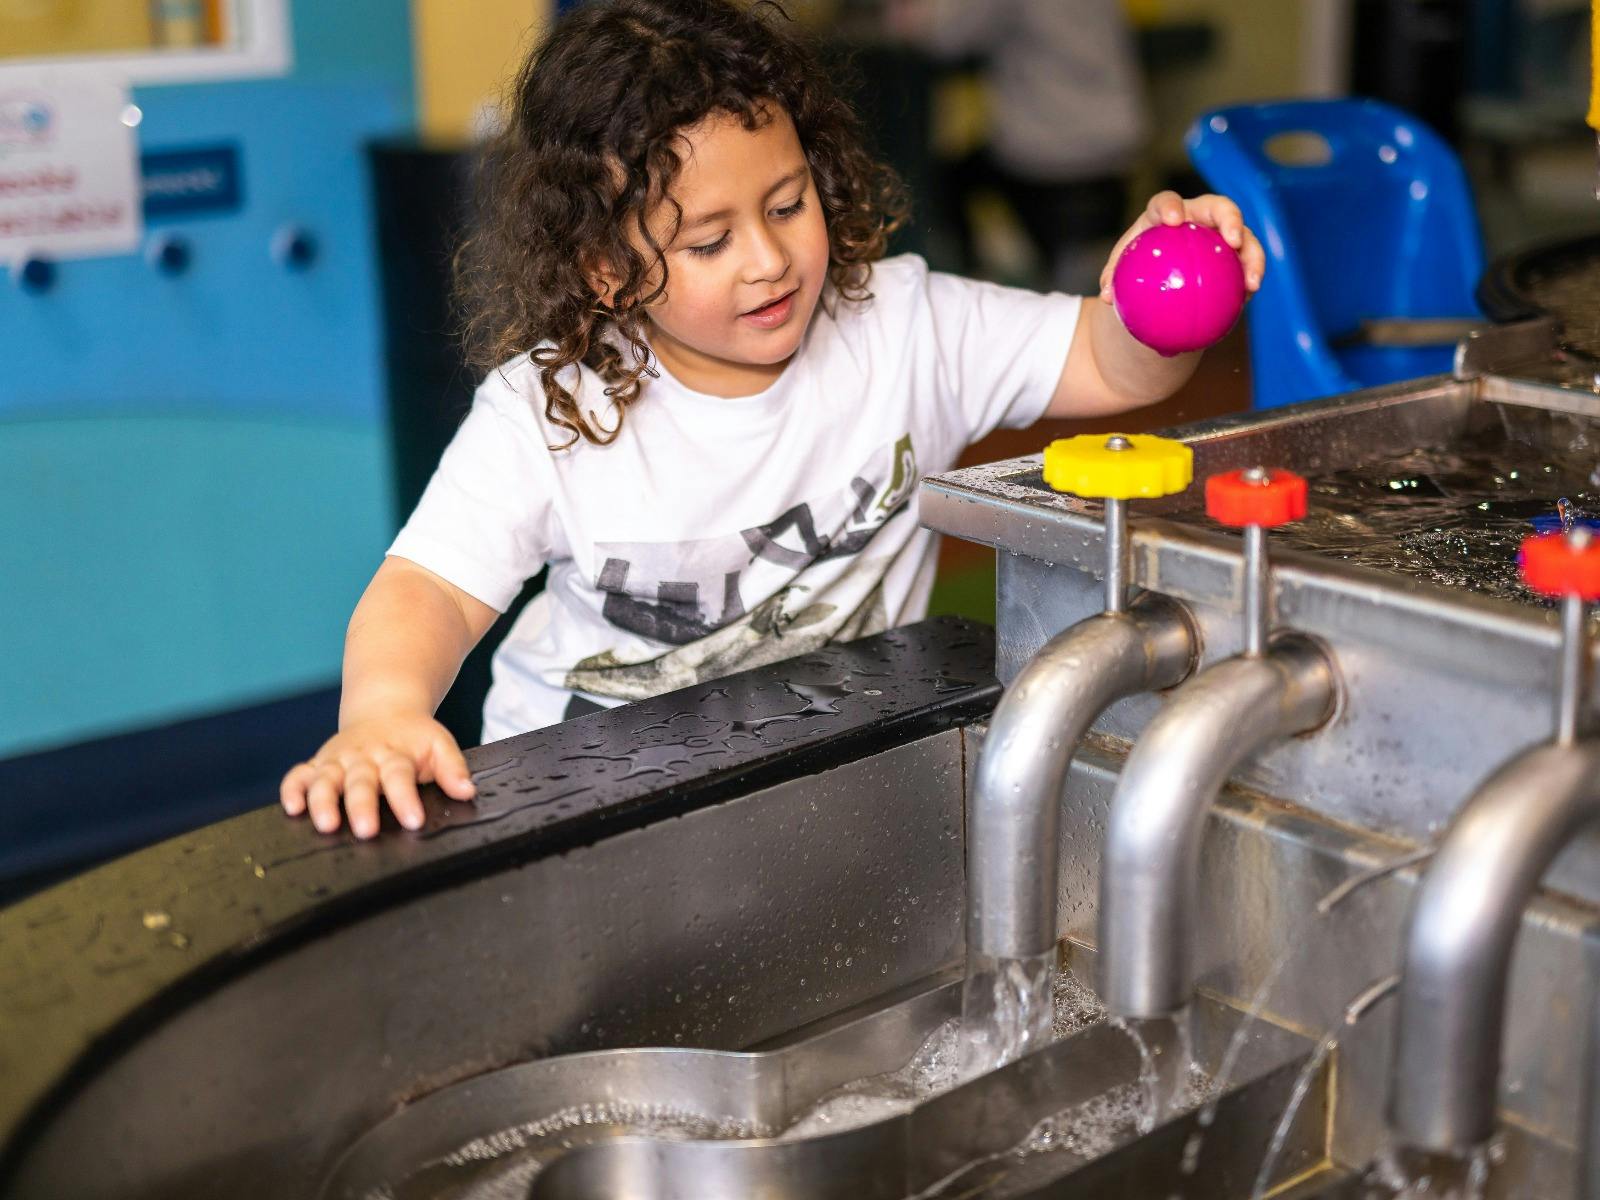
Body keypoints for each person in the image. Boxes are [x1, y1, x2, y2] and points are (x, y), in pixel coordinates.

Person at [279, 0, 1263, 840]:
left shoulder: (903, 324)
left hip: (830, 772)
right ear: (607, 269)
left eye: (787, 206)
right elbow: (430, 591)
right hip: (582, 801)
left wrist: (1152, 292)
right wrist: (380, 711)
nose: (767, 260)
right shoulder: (551, 408)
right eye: (709, 241)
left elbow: (1106, 360)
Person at [886, 0, 1148, 292]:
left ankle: (984, 280)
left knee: (948, 184)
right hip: (1115, 136)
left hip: (1052, 144)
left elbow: (941, 33)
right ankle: (1040, 266)